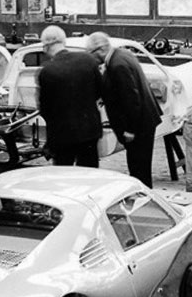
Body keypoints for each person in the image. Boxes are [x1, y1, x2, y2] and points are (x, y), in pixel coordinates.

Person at [86, 31, 161, 187]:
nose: (90, 58)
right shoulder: (122, 54)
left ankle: (144, 202)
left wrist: (130, 129)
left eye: (90, 53)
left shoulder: (117, 65)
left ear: (100, 50)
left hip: (138, 125)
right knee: (140, 167)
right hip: (145, 120)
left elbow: (131, 99)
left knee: (138, 169)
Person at [37, 25, 102, 167]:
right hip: (89, 131)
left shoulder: (47, 71)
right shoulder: (88, 60)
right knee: (90, 174)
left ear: (46, 46)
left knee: (65, 177)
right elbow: (99, 91)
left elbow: (45, 109)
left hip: (62, 136)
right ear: (63, 41)